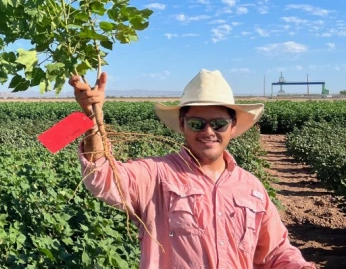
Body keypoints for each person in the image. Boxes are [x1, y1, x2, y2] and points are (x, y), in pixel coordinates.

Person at [69, 69, 315, 269]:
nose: (208, 132)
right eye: (197, 123)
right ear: (182, 124)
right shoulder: (155, 174)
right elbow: (101, 177)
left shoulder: (251, 188)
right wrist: (92, 117)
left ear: (232, 126)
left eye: (218, 124)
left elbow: (274, 252)